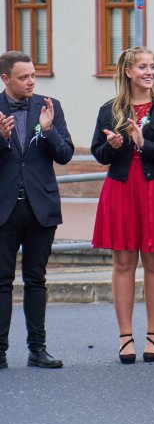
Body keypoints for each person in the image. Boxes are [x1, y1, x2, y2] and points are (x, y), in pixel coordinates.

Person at [90, 47, 154, 363]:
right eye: (143, 67)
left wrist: (143, 144)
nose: (149, 72)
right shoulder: (109, 110)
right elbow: (99, 154)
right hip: (121, 188)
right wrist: (113, 145)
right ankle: (125, 337)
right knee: (123, 262)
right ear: (128, 72)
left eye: (153, 66)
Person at [0, 50, 73, 369]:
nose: (31, 81)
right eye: (24, 77)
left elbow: (65, 154)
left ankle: (38, 349)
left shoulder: (49, 106)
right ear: (5, 79)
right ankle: (0, 351)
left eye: (33, 75)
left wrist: (47, 129)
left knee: (36, 278)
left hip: (40, 207)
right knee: (2, 281)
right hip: (4, 208)